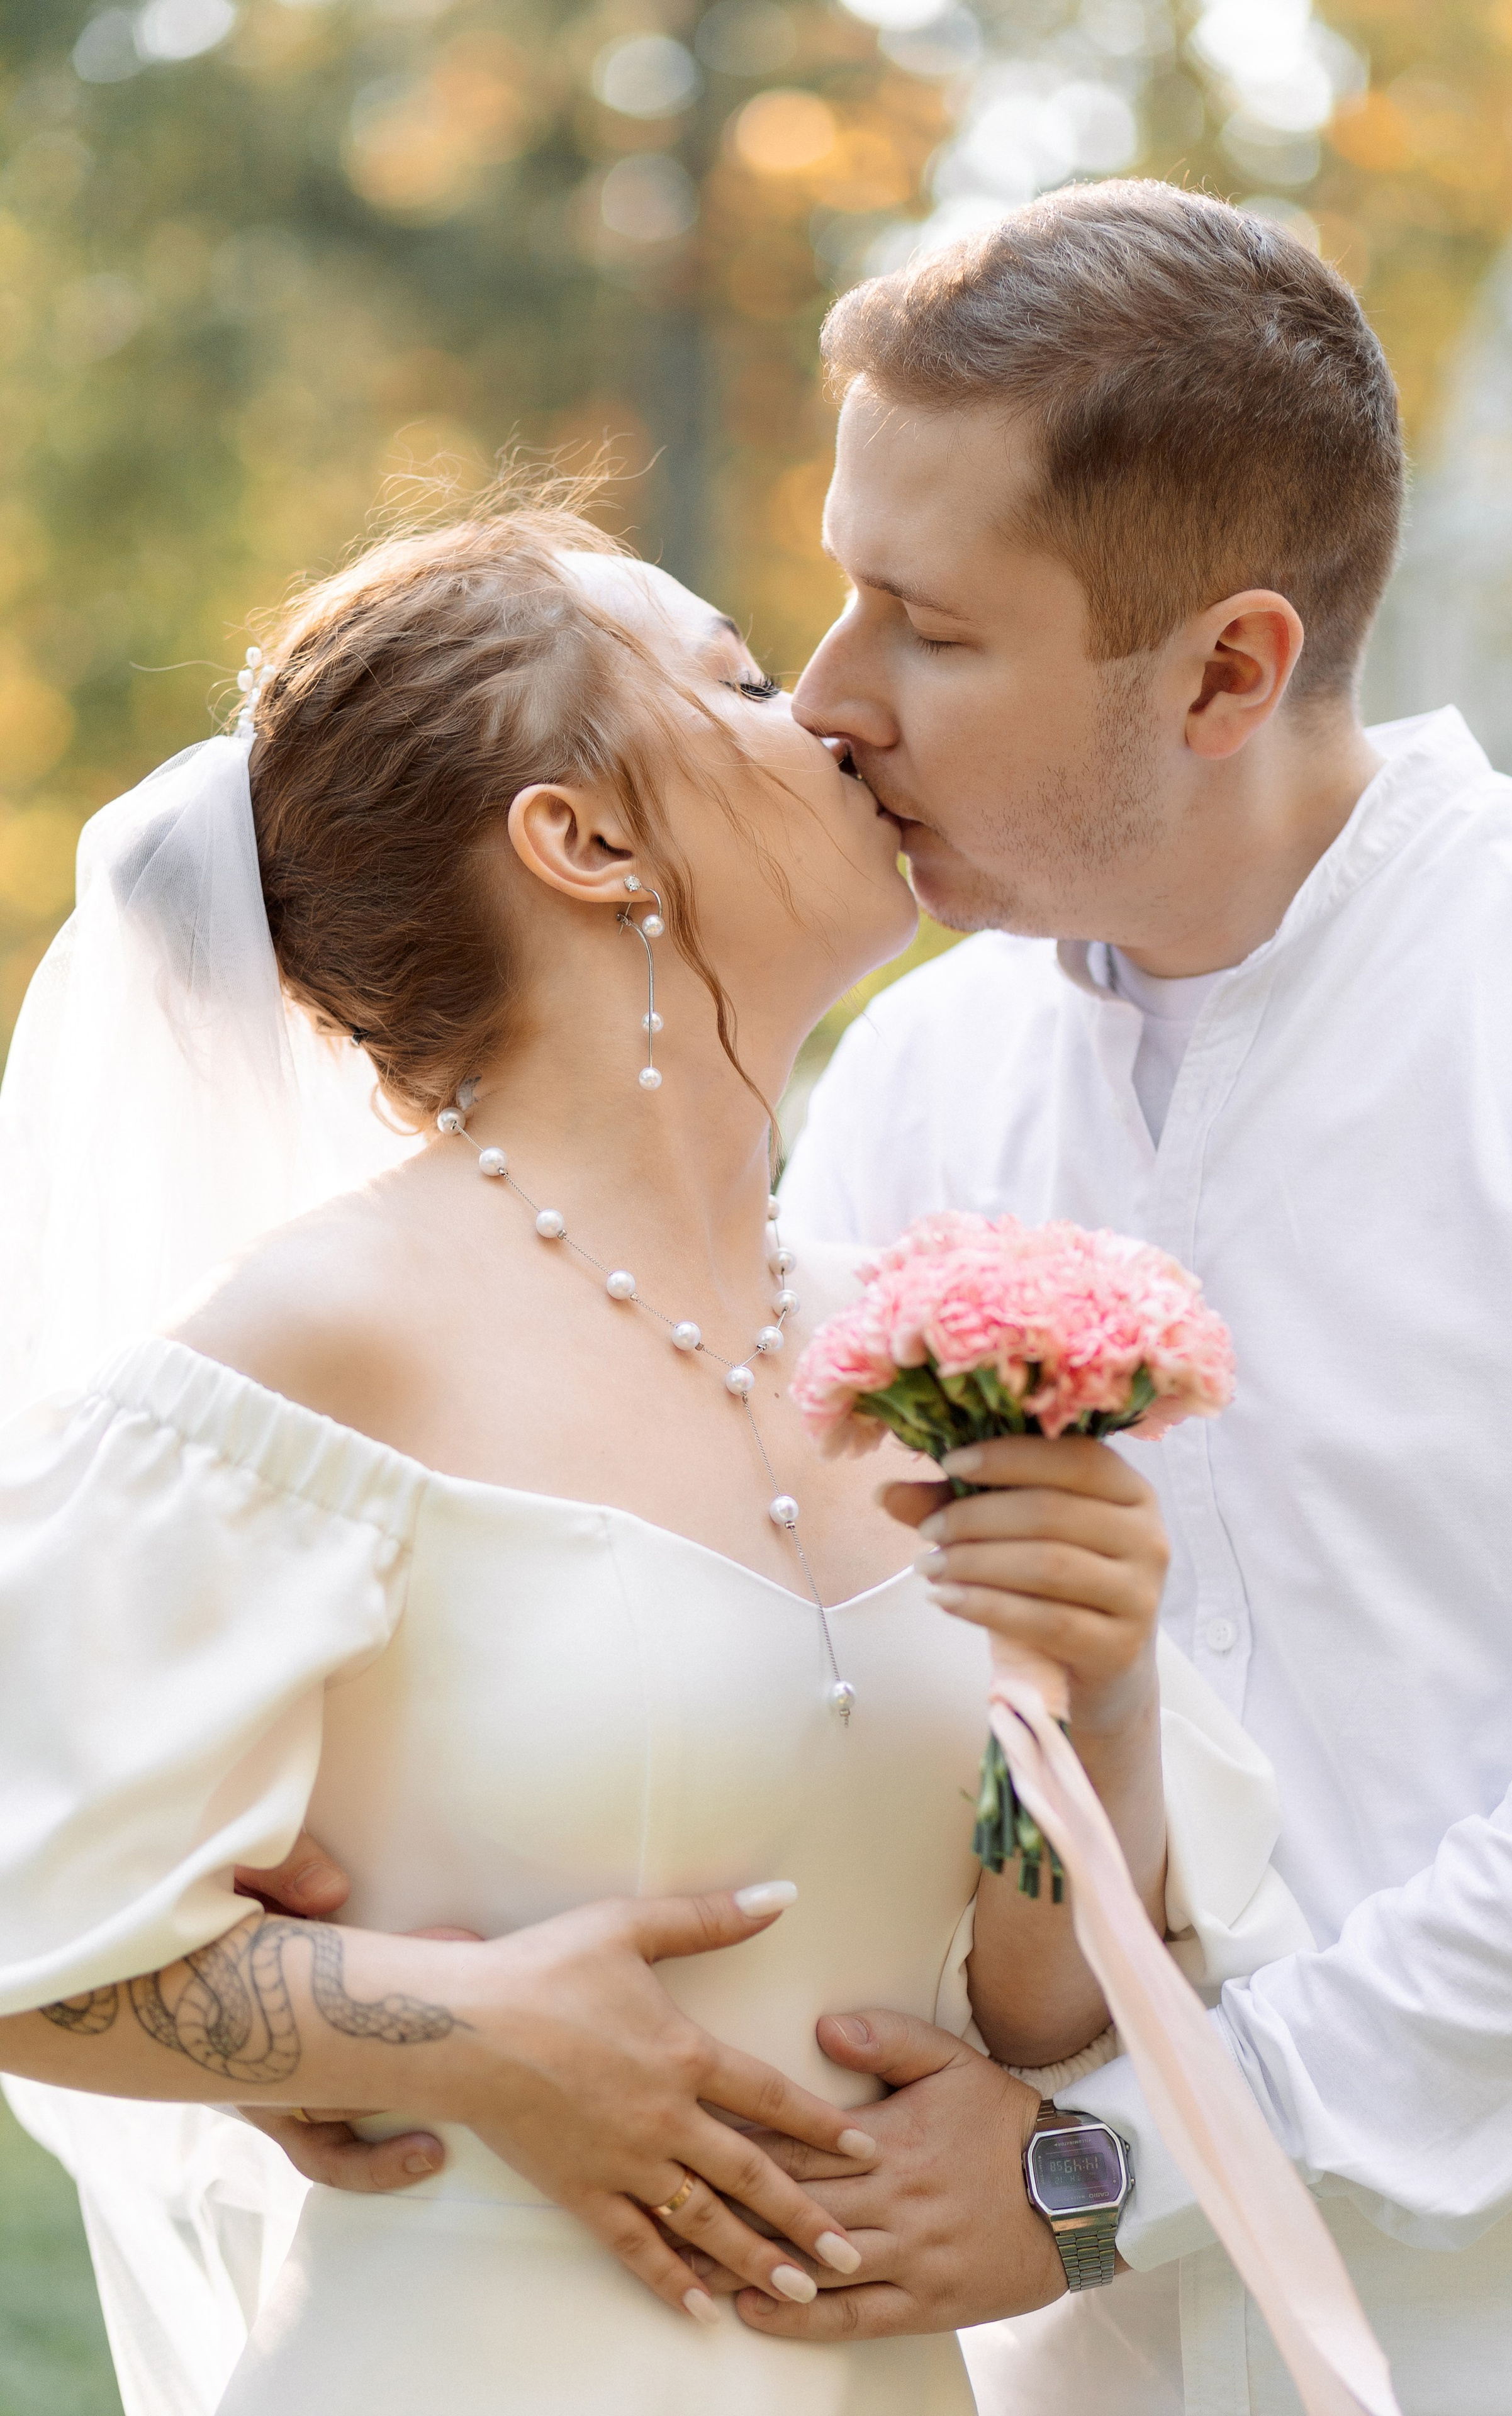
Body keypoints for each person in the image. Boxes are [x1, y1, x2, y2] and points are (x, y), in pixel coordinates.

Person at [0, 493, 1304, 2415]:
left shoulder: (915, 1354)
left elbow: (1042, 2019)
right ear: (586, 838)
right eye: (749, 680)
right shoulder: (327, 1338)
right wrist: (463, 2027)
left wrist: (1088, 1692)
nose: (841, 718)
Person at [755, 179, 1512, 2413]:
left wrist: (1113, 2162)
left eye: (928, 630)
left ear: (1230, 668)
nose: (830, 698)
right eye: (844, 593)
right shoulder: (913, 1075)